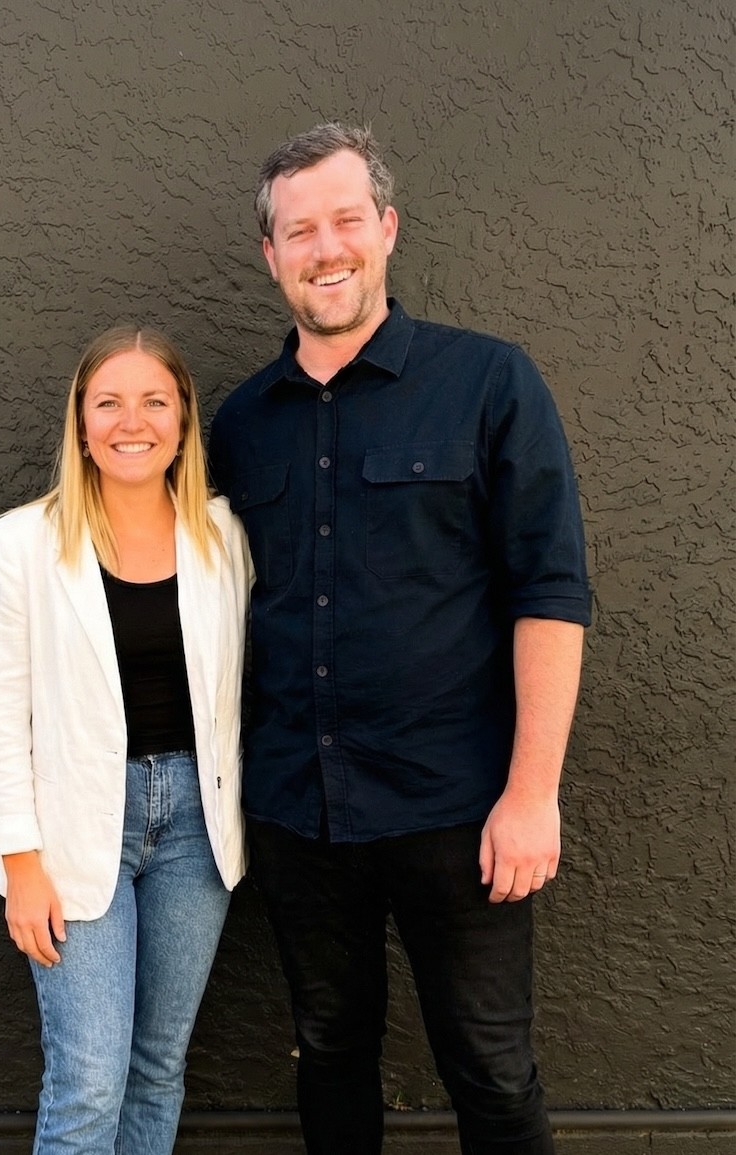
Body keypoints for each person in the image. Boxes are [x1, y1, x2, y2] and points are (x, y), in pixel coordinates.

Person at [208, 123, 591, 1155]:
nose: (323, 248)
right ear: (271, 256)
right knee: (328, 1055)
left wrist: (531, 793)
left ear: (385, 229)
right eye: (298, 231)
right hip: (298, 814)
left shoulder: (488, 384)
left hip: (458, 813)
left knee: (491, 1072)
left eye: (343, 221)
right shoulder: (240, 425)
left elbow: (550, 594)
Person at [0, 326, 251, 1155]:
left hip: (198, 828)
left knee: (159, 1065)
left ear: (183, 418)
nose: (134, 421)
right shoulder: (23, 543)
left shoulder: (223, 537)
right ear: (82, 422)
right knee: (91, 1076)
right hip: (74, 829)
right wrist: (19, 861)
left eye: (155, 401)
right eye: (110, 402)